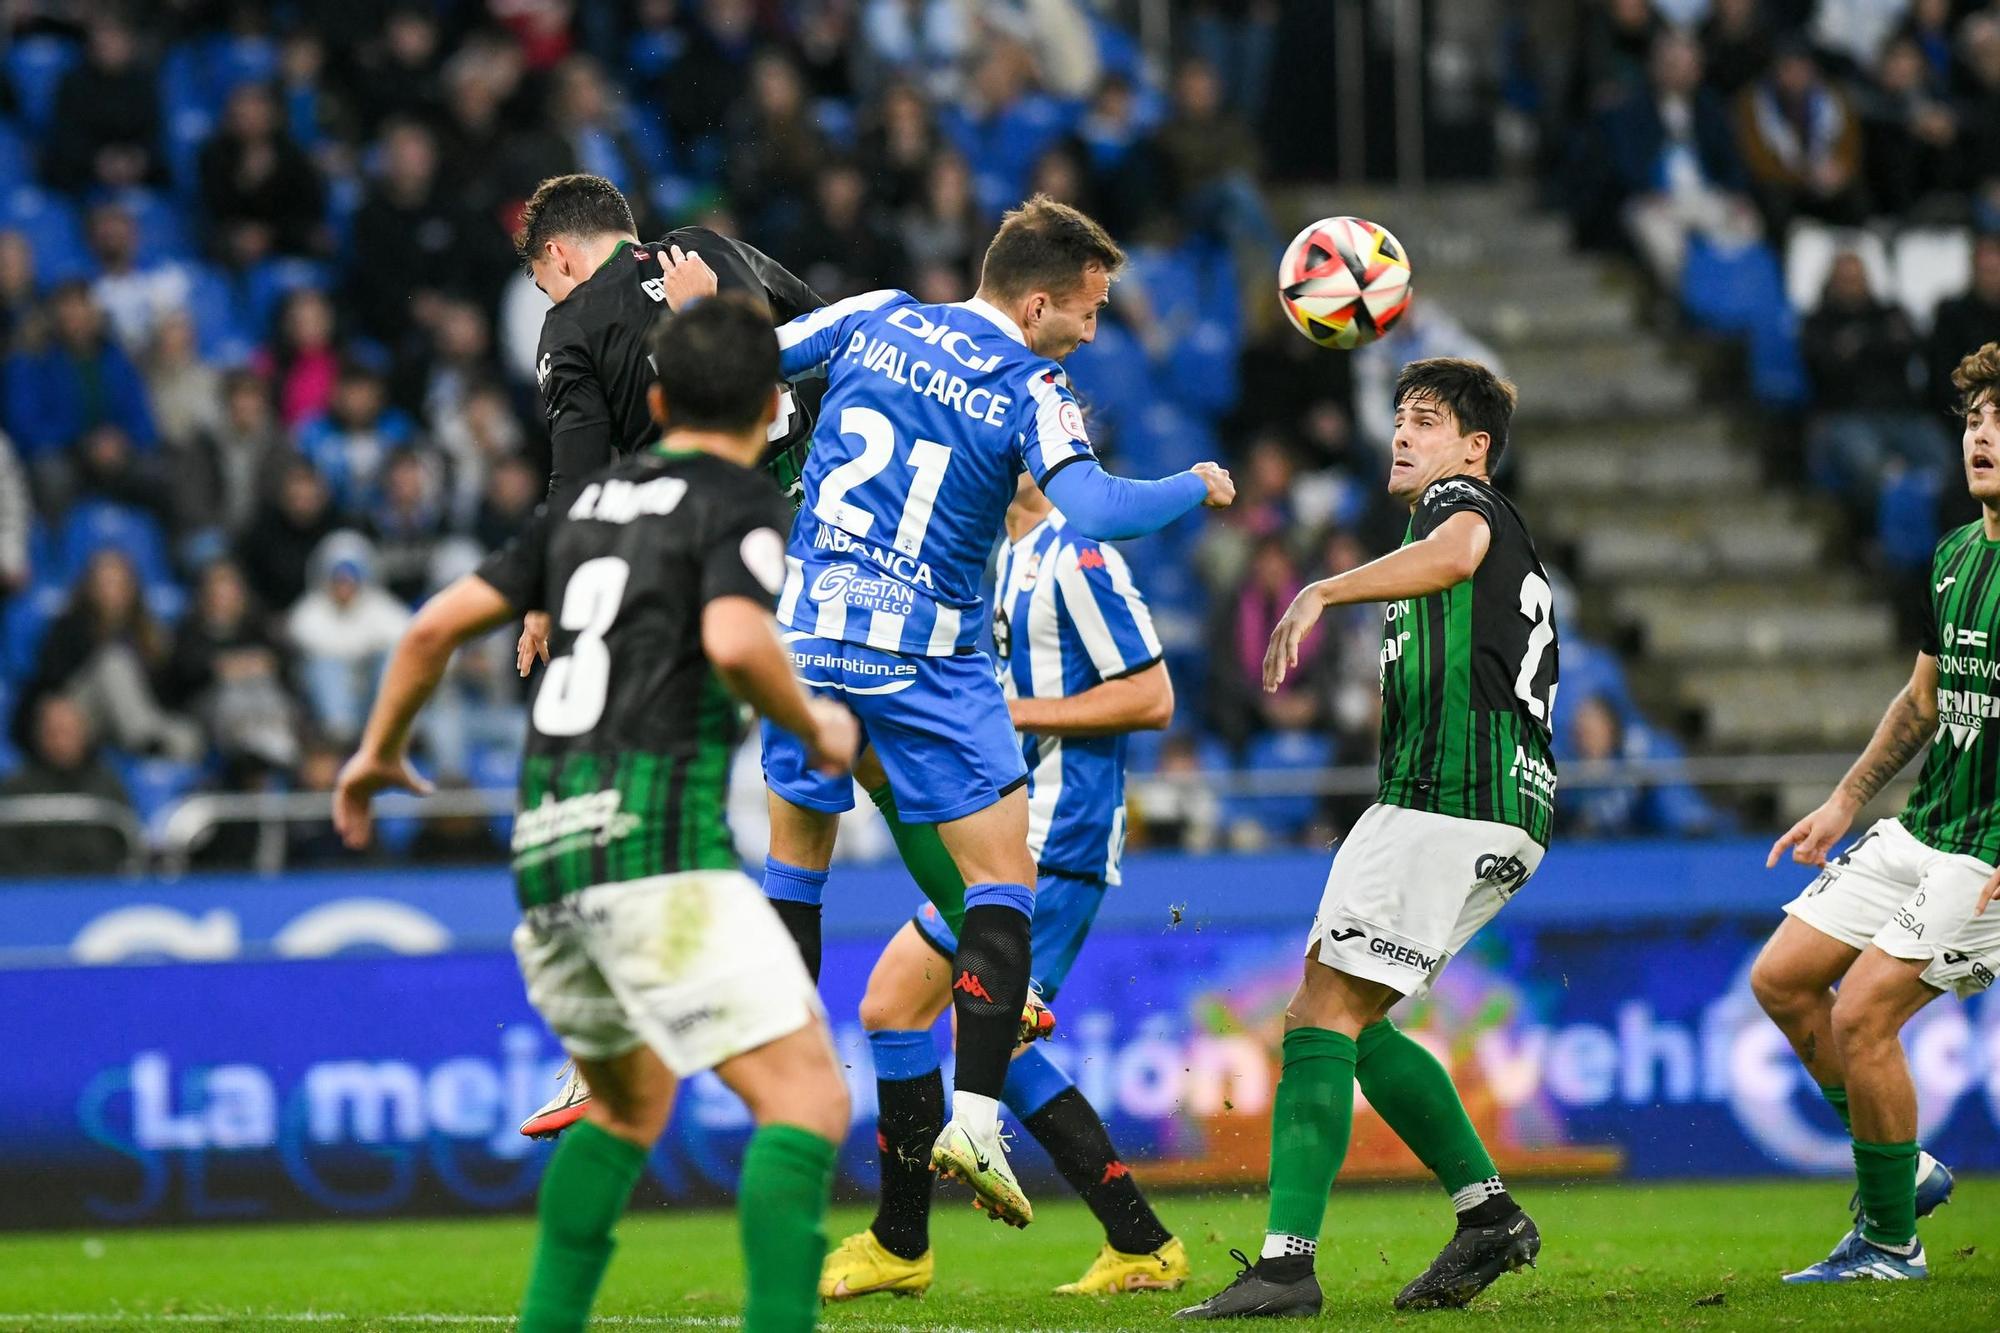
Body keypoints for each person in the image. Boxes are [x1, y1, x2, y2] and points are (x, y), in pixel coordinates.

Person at [332, 296, 860, 1333]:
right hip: (657, 855)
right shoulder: (739, 502)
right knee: (806, 1101)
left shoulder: (585, 505)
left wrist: (377, 752)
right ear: (772, 408)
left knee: (624, 1106)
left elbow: (434, 626)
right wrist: (818, 724)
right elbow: (740, 641)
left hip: (548, 864)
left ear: (656, 402)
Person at [742, 194, 1233, 1225]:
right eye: (1088, 311)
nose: (1092, 331)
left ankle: (783, 1090)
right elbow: (1095, 504)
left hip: (810, 637)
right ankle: (973, 1113)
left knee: (798, 859)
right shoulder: (1030, 383)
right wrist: (1192, 481)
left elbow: (746, 363)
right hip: (922, 656)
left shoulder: (874, 312)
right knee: (996, 879)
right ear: (1040, 299)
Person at [509, 172, 1028, 1142]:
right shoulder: (718, 247)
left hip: (708, 557)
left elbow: (575, 470)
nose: (552, 297)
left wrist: (548, 596)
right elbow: (848, 349)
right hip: (827, 548)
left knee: (630, 793)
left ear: (558, 258)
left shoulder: (571, 325)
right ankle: (991, 960)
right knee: (868, 760)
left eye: (546, 282)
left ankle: (602, 1050)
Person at [1178, 358, 1556, 1318]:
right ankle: (1487, 1215)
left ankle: (1286, 1266)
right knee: (1346, 1012)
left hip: (1449, 798)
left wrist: (1322, 590)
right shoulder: (1440, 528)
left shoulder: (1462, 505)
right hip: (1482, 802)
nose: (1401, 433)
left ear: (1472, 447)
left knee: (1319, 1018)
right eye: (1397, 416)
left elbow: (1460, 548)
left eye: (1425, 420)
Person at [821, 477, 1187, 1301]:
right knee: (899, 1009)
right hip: (1013, 830)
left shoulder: (1077, 555)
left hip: (1056, 835)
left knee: (981, 1030)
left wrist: (1010, 710)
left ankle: (1131, 1240)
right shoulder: (1006, 555)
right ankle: (917, 1242)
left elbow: (1154, 695)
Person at [1750, 342, 2000, 1284]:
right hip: (1929, 827)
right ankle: (1907, 1168)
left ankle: (1891, 1243)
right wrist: (1846, 799)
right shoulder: (1954, 556)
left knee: (1862, 1018)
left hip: (1992, 855)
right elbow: (1922, 704)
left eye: (1999, 422)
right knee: (1782, 980)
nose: (1981, 437)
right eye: (1973, 421)